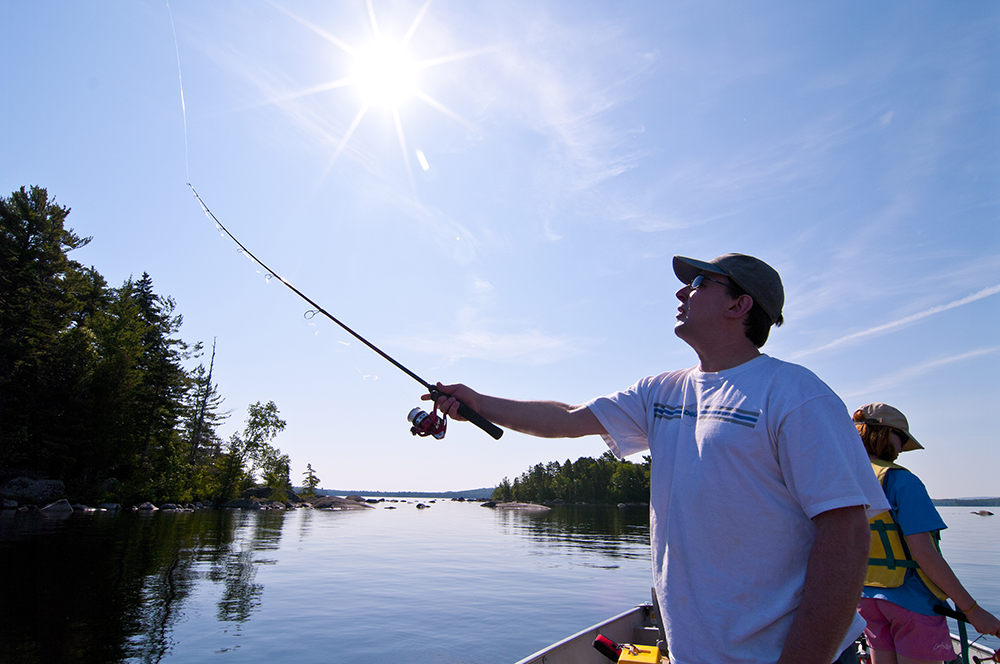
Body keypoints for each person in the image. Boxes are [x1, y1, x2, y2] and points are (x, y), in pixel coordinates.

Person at [428, 253, 889, 664]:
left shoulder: (798, 395)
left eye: (700, 283)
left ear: (739, 305)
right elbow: (566, 418)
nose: (681, 292)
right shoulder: (661, 391)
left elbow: (847, 535)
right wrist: (479, 403)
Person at [854, 403, 1000, 664]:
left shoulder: (846, 480)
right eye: (901, 438)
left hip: (866, 599)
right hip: (912, 601)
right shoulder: (902, 482)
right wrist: (972, 609)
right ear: (884, 435)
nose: (901, 449)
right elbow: (924, 554)